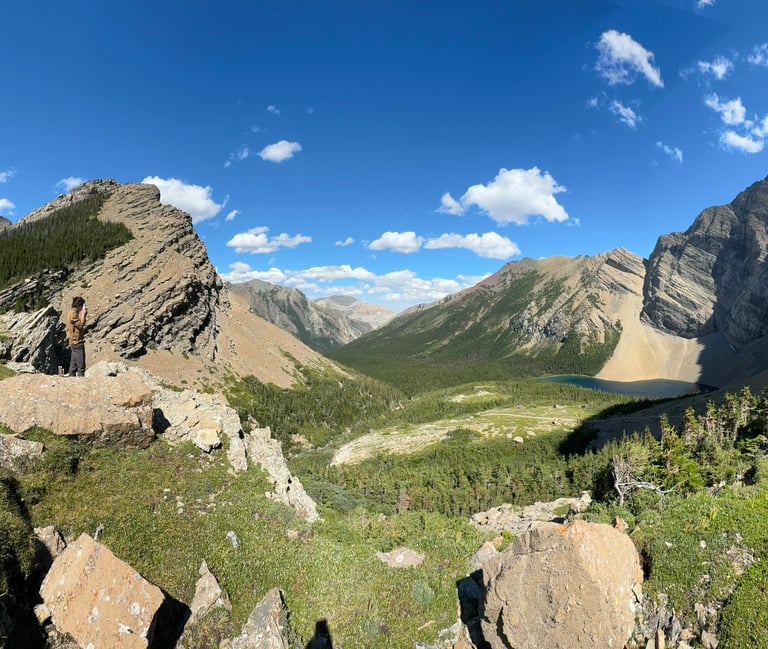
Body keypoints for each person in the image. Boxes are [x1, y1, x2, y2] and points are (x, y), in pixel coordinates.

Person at [65, 296, 88, 376]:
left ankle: (72, 378)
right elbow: (80, 326)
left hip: (73, 342)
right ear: (79, 305)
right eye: (81, 306)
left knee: (73, 365)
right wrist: (83, 315)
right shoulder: (73, 314)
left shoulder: (70, 313)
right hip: (77, 342)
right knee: (81, 365)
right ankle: (81, 380)